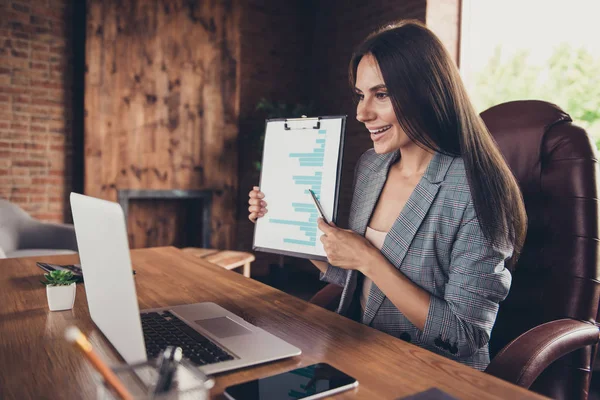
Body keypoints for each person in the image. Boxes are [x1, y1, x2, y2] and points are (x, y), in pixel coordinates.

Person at [247, 20, 526, 371]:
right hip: (362, 352)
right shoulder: (372, 168)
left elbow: (463, 335)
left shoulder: (476, 188)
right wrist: (282, 219)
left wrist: (368, 259)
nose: (363, 113)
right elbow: (357, 283)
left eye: (381, 94)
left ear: (425, 91)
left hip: (433, 373)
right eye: (361, 95)